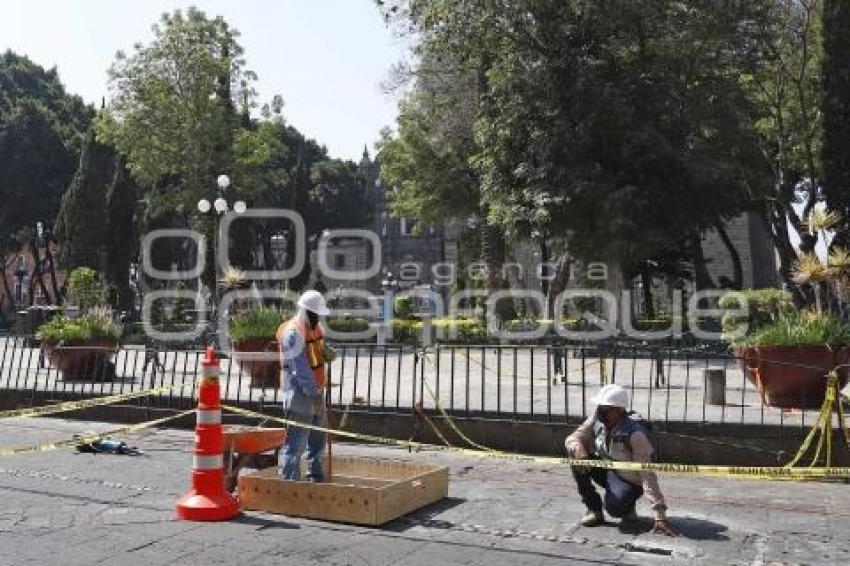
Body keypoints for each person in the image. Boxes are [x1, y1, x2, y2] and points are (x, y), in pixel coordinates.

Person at [564, 384, 677, 536]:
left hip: (629, 479)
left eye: (605, 408)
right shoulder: (597, 419)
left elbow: (647, 475)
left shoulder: (635, 434)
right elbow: (573, 437)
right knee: (575, 460)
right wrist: (577, 447)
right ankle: (594, 509)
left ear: (618, 410)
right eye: (600, 407)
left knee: (615, 508)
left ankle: (627, 504)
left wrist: (660, 516)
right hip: (608, 469)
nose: (600, 411)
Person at [277, 290, 336, 482]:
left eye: (318, 314)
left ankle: (315, 477)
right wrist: (315, 396)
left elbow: (316, 352)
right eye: (314, 313)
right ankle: (288, 484)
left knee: (317, 442)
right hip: (300, 395)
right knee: (296, 444)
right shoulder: (293, 333)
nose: (317, 317)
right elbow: (300, 370)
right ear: (304, 311)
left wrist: (327, 353)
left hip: (316, 391)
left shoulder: (315, 328)